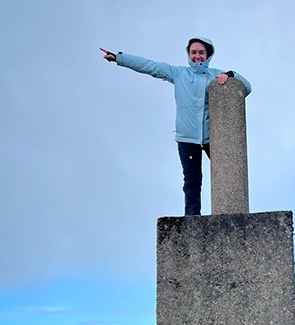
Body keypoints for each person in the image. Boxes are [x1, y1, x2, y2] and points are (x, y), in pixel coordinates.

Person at [100, 37, 251, 215]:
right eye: (193, 52)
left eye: (201, 52)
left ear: (208, 55)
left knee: (227, 172)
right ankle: (193, 220)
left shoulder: (216, 75)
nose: (197, 56)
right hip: (186, 137)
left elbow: (246, 88)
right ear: (188, 54)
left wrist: (231, 75)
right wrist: (119, 58)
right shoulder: (179, 74)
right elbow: (150, 66)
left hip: (212, 136)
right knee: (192, 180)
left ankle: (232, 213)